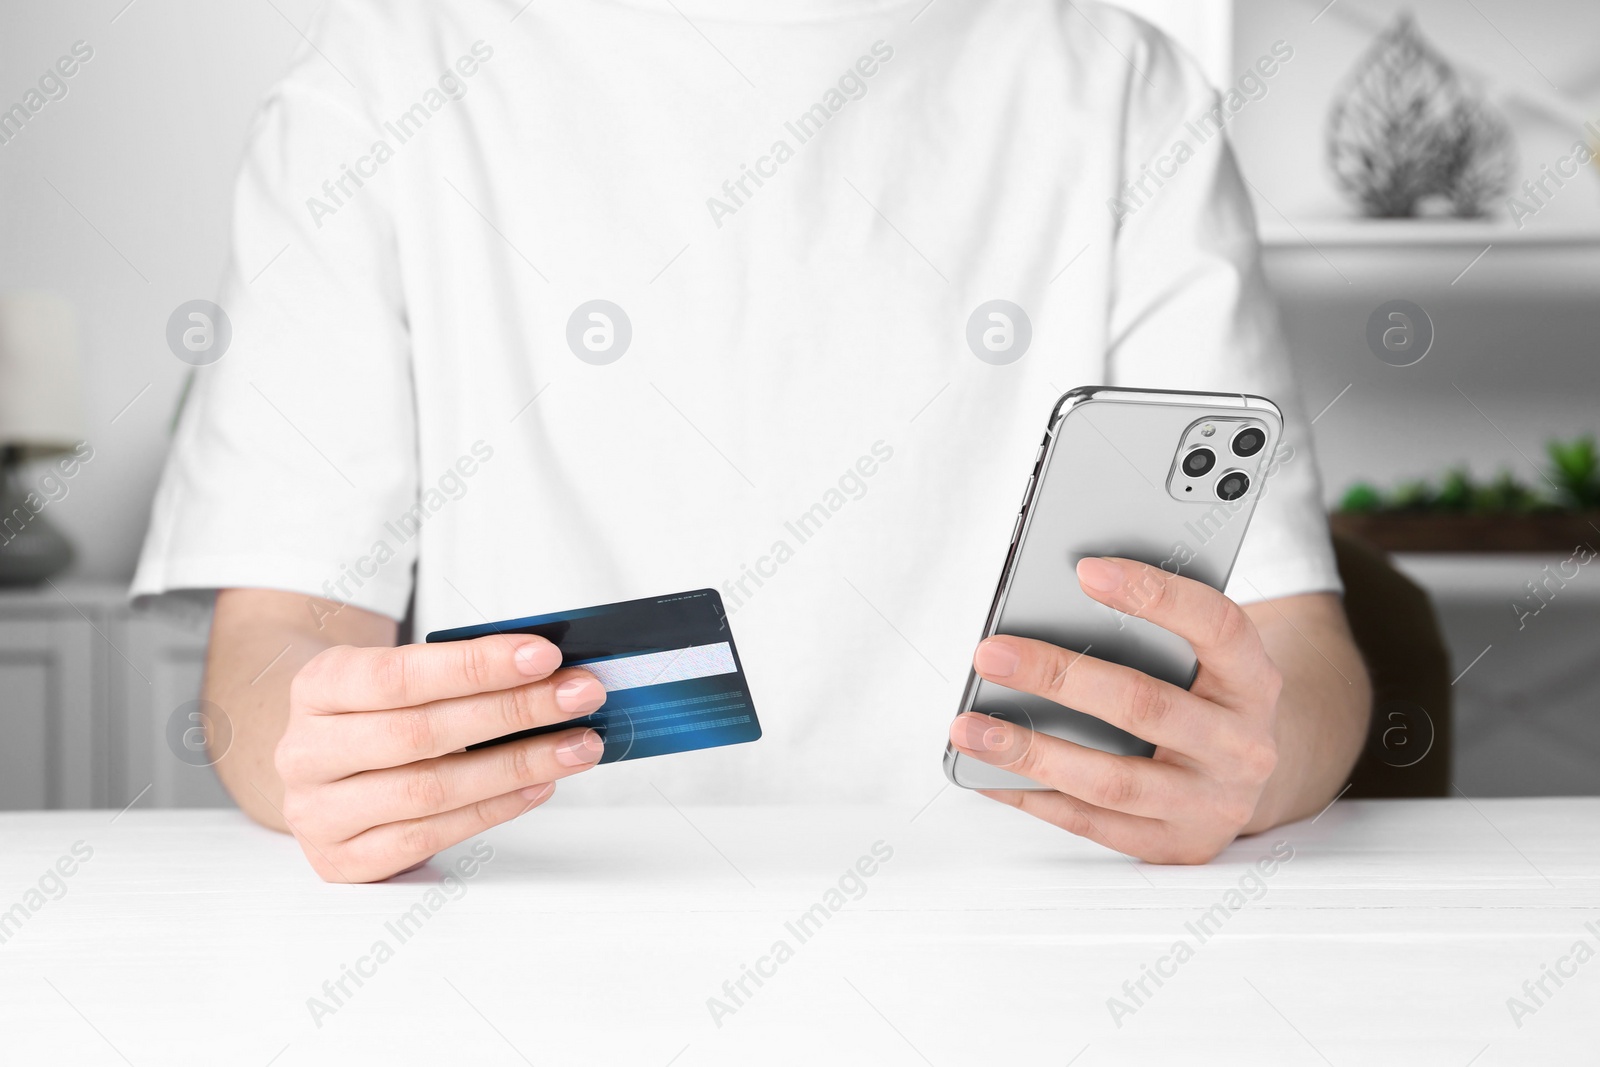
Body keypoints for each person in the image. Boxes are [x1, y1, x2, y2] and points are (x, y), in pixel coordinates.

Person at [133, 0, 1371, 883]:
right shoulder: (378, 72)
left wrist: (1251, 764)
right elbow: (274, 653)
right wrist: (321, 756)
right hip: (527, 923)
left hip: (1032, 921)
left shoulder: (1118, 82)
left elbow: (1298, 655)